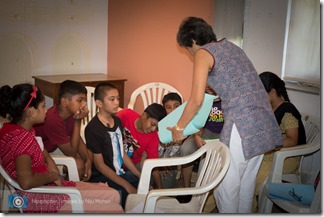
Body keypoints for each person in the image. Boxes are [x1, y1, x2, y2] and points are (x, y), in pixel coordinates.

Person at [169, 16, 283, 213]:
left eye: (188, 49)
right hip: (263, 121)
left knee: (226, 189)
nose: (190, 54)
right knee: (246, 186)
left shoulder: (203, 53)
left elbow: (195, 100)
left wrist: (179, 128)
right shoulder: (232, 47)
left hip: (243, 124)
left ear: (193, 42)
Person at [0, 83, 123, 213]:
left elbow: (44, 152)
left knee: (114, 194)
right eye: (43, 106)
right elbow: (25, 181)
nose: (46, 110)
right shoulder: (21, 139)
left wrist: (53, 168)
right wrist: (52, 176)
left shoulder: (24, 130)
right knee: (115, 209)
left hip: (50, 188)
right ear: (32, 112)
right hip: (41, 199)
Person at [252, 71, 306, 212]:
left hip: (287, 156)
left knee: (253, 176)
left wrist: (268, 142)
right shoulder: (270, 108)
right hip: (271, 152)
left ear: (272, 92)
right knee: (244, 169)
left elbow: (292, 140)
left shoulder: (287, 111)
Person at [85, 82, 141, 208]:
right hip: (102, 177)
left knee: (145, 183)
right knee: (127, 193)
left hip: (119, 173)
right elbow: (100, 166)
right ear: (99, 103)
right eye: (112, 99)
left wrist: (139, 174)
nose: (117, 102)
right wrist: (126, 185)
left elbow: (122, 153)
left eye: (118, 98)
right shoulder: (93, 129)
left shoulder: (117, 121)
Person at [35, 80, 92, 181]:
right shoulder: (53, 120)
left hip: (54, 147)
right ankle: (67, 191)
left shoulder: (69, 113)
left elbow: (76, 138)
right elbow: (71, 153)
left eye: (84, 100)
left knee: (88, 155)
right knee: (78, 164)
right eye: (80, 100)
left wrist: (88, 160)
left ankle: (69, 181)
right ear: (65, 102)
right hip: (38, 155)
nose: (83, 105)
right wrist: (78, 122)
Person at [179, 84, 223, 190]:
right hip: (205, 130)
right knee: (185, 148)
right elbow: (196, 121)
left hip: (224, 133)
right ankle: (187, 189)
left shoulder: (228, 97)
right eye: (206, 82)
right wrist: (196, 135)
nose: (209, 86)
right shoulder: (201, 97)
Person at [116, 103, 167, 189]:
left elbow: (153, 163)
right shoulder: (125, 115)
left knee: (145, 180)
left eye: (157, 128)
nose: (153, 130)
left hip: (133, 166)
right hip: (114, 159)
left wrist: (159, 189)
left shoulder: (153, 137)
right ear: (144, 115)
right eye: (152, 124)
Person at [158, 92, 183, 188]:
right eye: (168, 107)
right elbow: (156, 149)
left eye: (176, 106)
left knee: (167, 188)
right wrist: (161, 166)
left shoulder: (184, 123)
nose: (173, 110)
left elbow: (177, 151)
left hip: (172, 163)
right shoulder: (160, 124)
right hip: (157, 161)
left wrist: (167, 165)